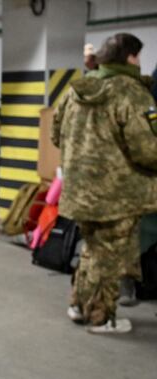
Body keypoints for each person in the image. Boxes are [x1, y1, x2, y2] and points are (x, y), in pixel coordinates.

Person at [52, 33, 157, 333]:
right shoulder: (133, 93)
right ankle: (102, 317)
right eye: (137, 56)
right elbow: (148, 150)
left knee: (93, 249)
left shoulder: (78, 90)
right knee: (110, 256)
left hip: (81, 193)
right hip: (118, 195)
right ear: (130, 58)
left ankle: (79, 305)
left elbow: (55, 135)